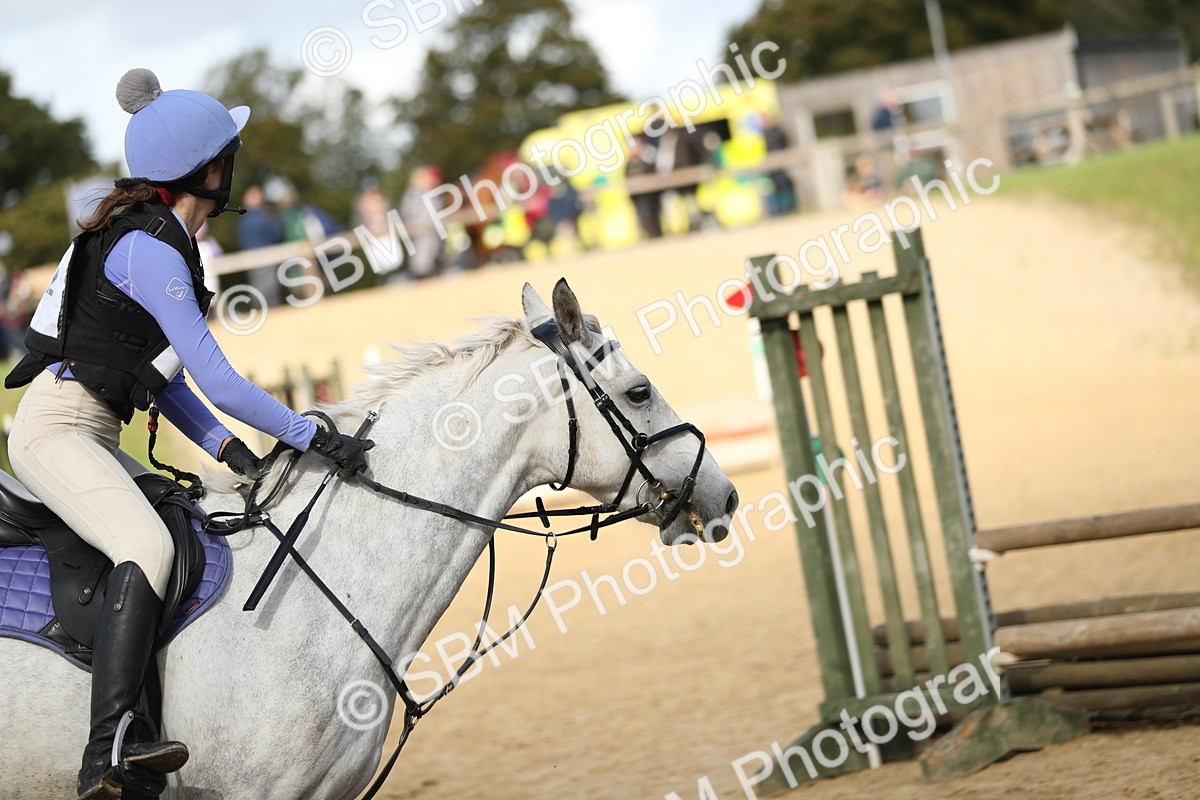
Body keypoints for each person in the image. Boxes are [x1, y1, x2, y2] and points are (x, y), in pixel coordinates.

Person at [2, 68, 374, 800]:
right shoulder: (150, 249)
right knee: (146, 546)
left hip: (91, 431)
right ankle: (107, 749)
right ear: (208, 171)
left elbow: (161, 379)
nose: (233, 166)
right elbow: (220, 380)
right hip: (56, 430)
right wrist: (310, 435)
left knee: (189, 522)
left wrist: (229, 450)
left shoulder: (166, 244)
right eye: (228, 156)